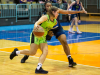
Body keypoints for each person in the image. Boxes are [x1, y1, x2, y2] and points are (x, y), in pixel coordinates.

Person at [20, 1, 86, 67]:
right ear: (45, 7)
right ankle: (27, 55)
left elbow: (68, 11)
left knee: (64, 41)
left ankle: (70, 59)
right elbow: (38, 24)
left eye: (50, 6)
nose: (49, 7)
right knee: (38, 46)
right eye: (47, 6)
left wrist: (79, 12)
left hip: (57, 29)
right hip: (47, 30)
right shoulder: (44, 15)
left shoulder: (56, 10)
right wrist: (46, 32)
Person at [10, 6, 58, 74]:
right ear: (53, 12)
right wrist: (36, 26)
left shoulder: (55, 22)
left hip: (43, 37)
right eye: (57, 13)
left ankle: (38, 68)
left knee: (45, 51)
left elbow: (48, 28)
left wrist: (50, 33)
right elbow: (37, 22)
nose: (58, 14)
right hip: (36, 35)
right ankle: (16, 52)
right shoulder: (45, 17)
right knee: (32, 52)